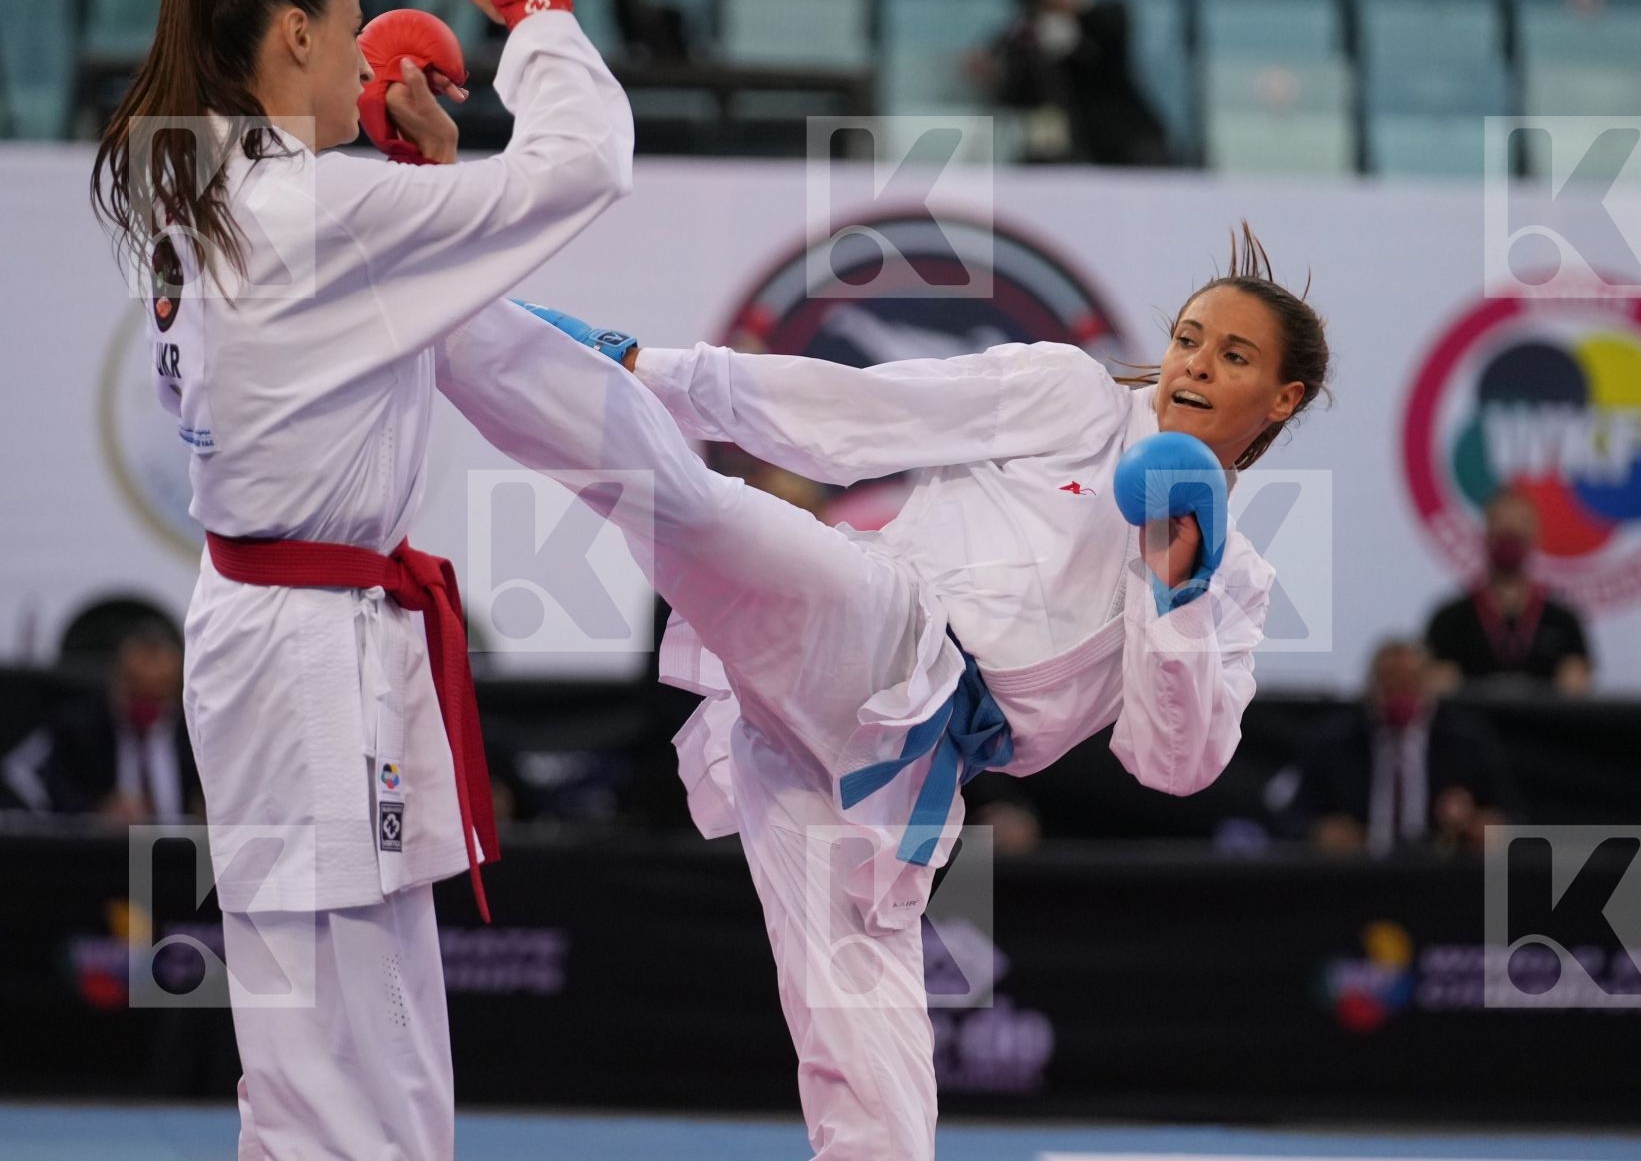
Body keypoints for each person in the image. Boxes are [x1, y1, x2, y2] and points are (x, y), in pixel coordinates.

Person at [432, 223, 1329, 1159]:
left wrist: (1174, 595)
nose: (1194, 365)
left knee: (869, 1057)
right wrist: (655, 367)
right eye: (1188, 338)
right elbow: (861, 409)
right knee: (688, 505)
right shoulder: (1076, 398)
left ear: (1282, 397)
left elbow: (1174, 763)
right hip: (887, 628)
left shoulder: (1233, 583)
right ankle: (450, 324)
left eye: (1233, 356)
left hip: (895, 776)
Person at [88, 0, 633, 1154]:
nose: (360, 61)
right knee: (342, 1047)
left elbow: (360, 298)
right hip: (308, 653)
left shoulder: (193, 178)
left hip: (288, 631)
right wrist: (536, 12)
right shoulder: (309, 210)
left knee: (341, 1032)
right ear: (291, 36)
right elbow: (585, 165)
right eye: (343, 39)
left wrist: (400, 166)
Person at [1288, 639, 1523, 857]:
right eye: (1390, 682)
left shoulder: (1467, 740)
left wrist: (1479, 824)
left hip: (1443, 871)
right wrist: (1320, 832)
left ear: (1428, 684)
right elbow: (1290, 818)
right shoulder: (1334, 741)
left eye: (1410, 682)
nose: (1400, 693)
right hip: (1358, 872)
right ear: (1371, 686)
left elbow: (1514, 813)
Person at [981, 0, 1169, 165]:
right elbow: (1011, 91)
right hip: (1056, 148)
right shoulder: (1024, 35)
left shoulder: (1107, 18)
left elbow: (1104, 53)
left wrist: (1075, 13)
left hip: (1124, 146)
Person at [1424, 489, 1594, 695]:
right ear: (1485, 535)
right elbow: (1437, 689)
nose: (1509, 537)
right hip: (1471, 725)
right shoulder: (1450, 619)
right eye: (1502, 530)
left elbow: (1578, 687)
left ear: (1535, 538)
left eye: (1517, 532)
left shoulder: (1562, 620)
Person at [42, 619, 202, 822]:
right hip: (105, 850)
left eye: (158, 692)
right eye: (136, 687)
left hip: (185, 850)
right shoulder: (78, 731)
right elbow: (58, 802)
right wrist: (99, 814)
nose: (147, 703)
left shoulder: (197, 736)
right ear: (116, 679)